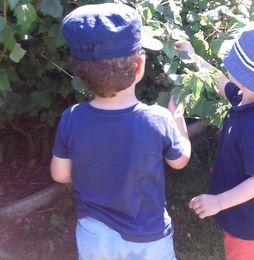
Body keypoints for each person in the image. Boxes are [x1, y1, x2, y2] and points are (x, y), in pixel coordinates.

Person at [50, 3, 191, 259]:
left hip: (94, 234)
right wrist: (178, 119)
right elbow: (179, 161)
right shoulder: (158, 119)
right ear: (139, 66)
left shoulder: (72, 118)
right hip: (148, 236)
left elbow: (60, 174)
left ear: (80, 74)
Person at [178, 21, 254, 259]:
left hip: (249, 221)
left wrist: (219, 202)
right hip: (242, 207)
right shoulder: (251, 97)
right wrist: (194, 59)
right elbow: (223, 85)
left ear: (246, 77)